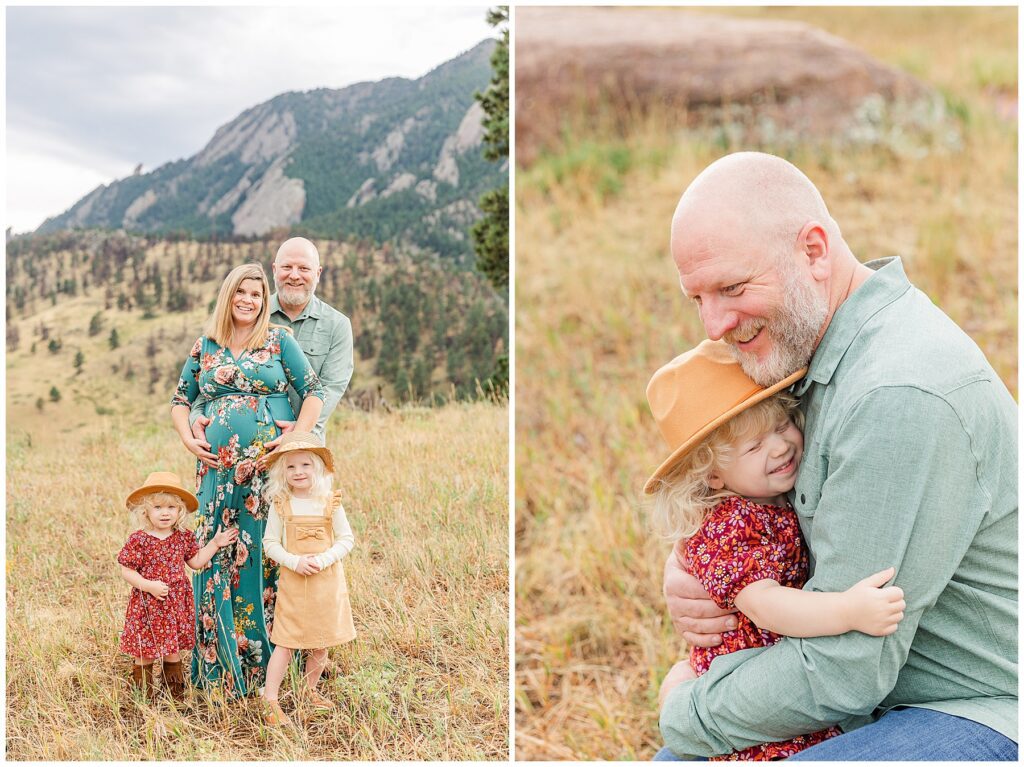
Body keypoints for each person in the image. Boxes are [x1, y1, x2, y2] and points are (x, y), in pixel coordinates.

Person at [656, 152, 1017, 760]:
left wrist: (688, 710)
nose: (714, 323)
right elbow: (737, 484)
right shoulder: (805, 352)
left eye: (732, 287)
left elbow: (845, 667)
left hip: (972, 706)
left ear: (814, 251)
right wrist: (692, 564)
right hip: (877, 696)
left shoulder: (895, 395)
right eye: (698, 298)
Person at [645, 340, 905, 759]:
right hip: (757, 692)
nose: (780, 446)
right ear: (712, 475)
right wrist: (848, 610)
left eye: (782, 424)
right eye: (753, 446)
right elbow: (766, 605)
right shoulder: (731, 526)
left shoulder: (769, 494)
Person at [171, 262, 325, 696]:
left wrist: (296, 434)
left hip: (264, 470)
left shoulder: (278, 341)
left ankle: (267, 665)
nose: (248, 300)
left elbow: (313, 390)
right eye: (241, 292)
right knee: (217, 546)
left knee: (262, 551)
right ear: (228, 296)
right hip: (215, 471)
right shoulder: (207, 346)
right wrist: (188, 435)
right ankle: (216, 662)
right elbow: (181, 398)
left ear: (264, 301)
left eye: (257, 294)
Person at [188, 237, 353, 448]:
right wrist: (196, 417)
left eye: (303, 268)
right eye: (287, 267)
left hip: (303, 451)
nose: (294, 275)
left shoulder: (337, 325)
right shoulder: (250, 313)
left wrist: (297, 433)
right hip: (242, 451)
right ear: (274, 270)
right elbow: (213, 376)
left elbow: (329, 389)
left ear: (318, 273)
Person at [259, 432, 356, 727]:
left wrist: (324, 559)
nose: (298, 472)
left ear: (318, 468)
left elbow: (346, 539)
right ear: (282, 473)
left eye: (305, 465)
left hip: (326, 581)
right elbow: (270, 544)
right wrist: (295, 561)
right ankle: (270, 698)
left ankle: (308, 690)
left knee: (321, 639)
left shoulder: (329, 502)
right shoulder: (281, 504)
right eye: (290, 467)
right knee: (286, 641)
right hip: (294, 581)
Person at [118, 471, 237, 699]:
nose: (165, 513)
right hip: (148, 605)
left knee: (172, 650)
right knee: (145, 651)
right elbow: (127, 570)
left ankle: (174, 694)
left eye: (171, 508)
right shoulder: (139, 539)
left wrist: (215, 543)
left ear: (180, 511)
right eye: (158, 508)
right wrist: (148, 585)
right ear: (146, 511)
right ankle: (143, 696)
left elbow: (196, 562)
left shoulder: (183, 537)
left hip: (174, 604)